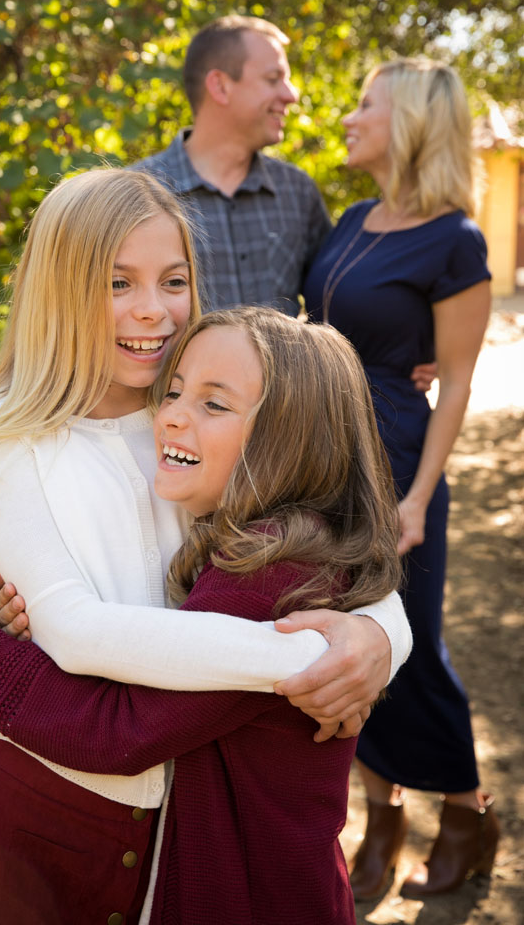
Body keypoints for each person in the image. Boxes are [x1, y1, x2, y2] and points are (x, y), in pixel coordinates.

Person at [0, 169, 411, 925]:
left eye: (172, 280)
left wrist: (377, 637)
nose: (153, 310)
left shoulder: (203, 405)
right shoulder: (13, 436)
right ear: (60, 288)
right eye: (118, 282)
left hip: (186, 807)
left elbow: (330, 550)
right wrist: (306, 661)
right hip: (48, 797)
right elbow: (75, 632)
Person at [303, 57, 498, 900]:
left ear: (409, 122)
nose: (348, 117)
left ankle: (466, 810)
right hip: (325, 459)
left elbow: (455, 380)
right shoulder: (350, 218)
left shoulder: (456, 239)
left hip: (395, 470)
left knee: (406, 648)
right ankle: (379, 817)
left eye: (364, 105)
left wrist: (416, 499)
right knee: (343, 642)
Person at [133, 14, 435, 394]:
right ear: (221, 86)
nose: (291, 95)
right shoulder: (138, 192)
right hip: (169, 430)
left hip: (285, 428)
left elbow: (343, 299)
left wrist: (413, 349)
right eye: (273, 79)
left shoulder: (298, 192)